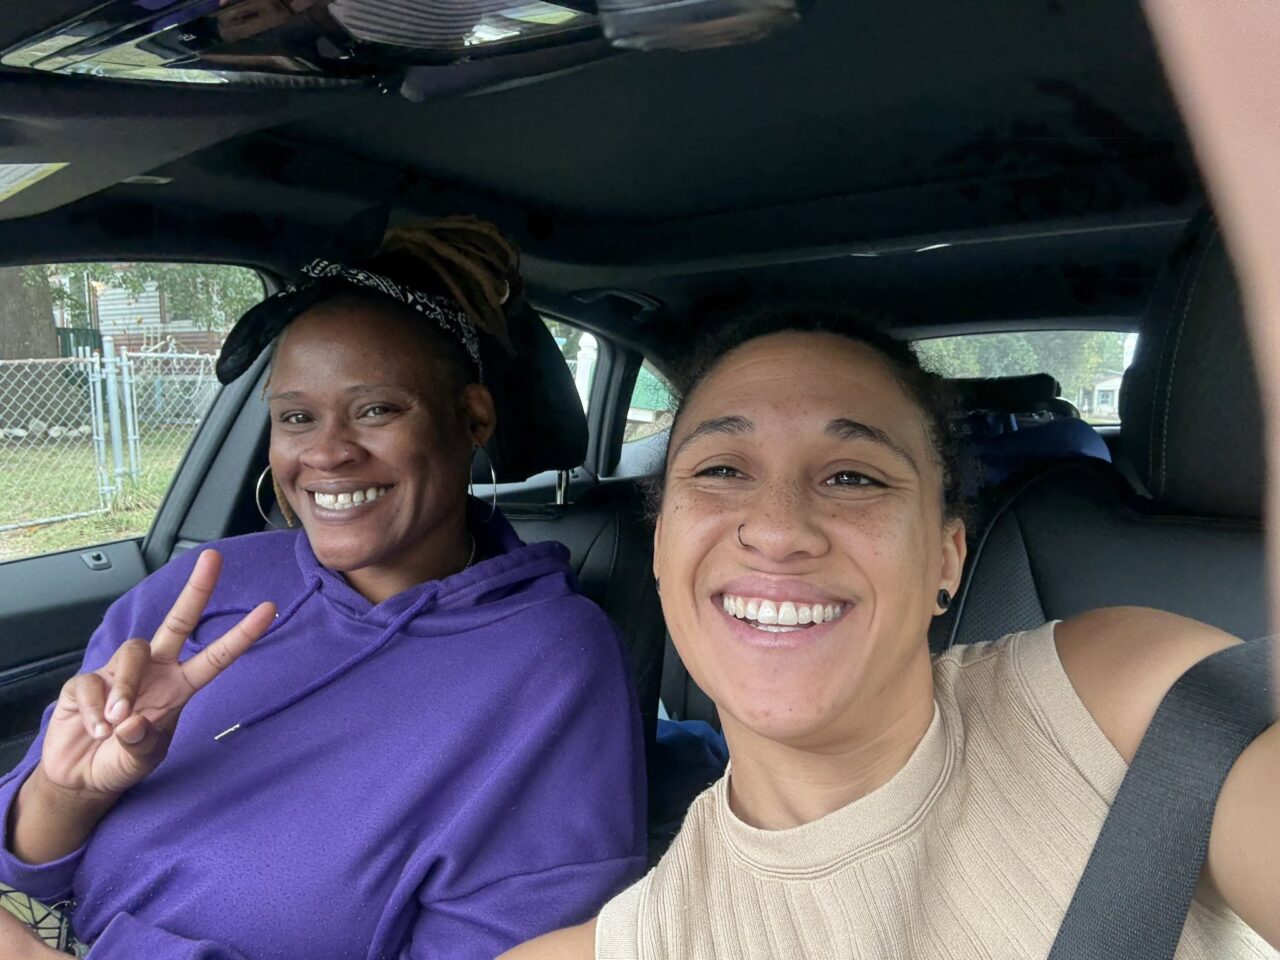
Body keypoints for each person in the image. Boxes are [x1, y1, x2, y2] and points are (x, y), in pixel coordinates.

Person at [504, 302, 1278, 959]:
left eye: (853, 477)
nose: (777, 529)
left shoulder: (1131, 700)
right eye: (722, 471)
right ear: (662, 548)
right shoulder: (620, 945)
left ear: (947, 557)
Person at [0, 217, 647, 960]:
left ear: (472, 417)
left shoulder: (551, 660)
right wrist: (69, 794)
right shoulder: (199, 588)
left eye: (376, 410)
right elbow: (24, 871)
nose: (328, 452)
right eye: (297, 418)